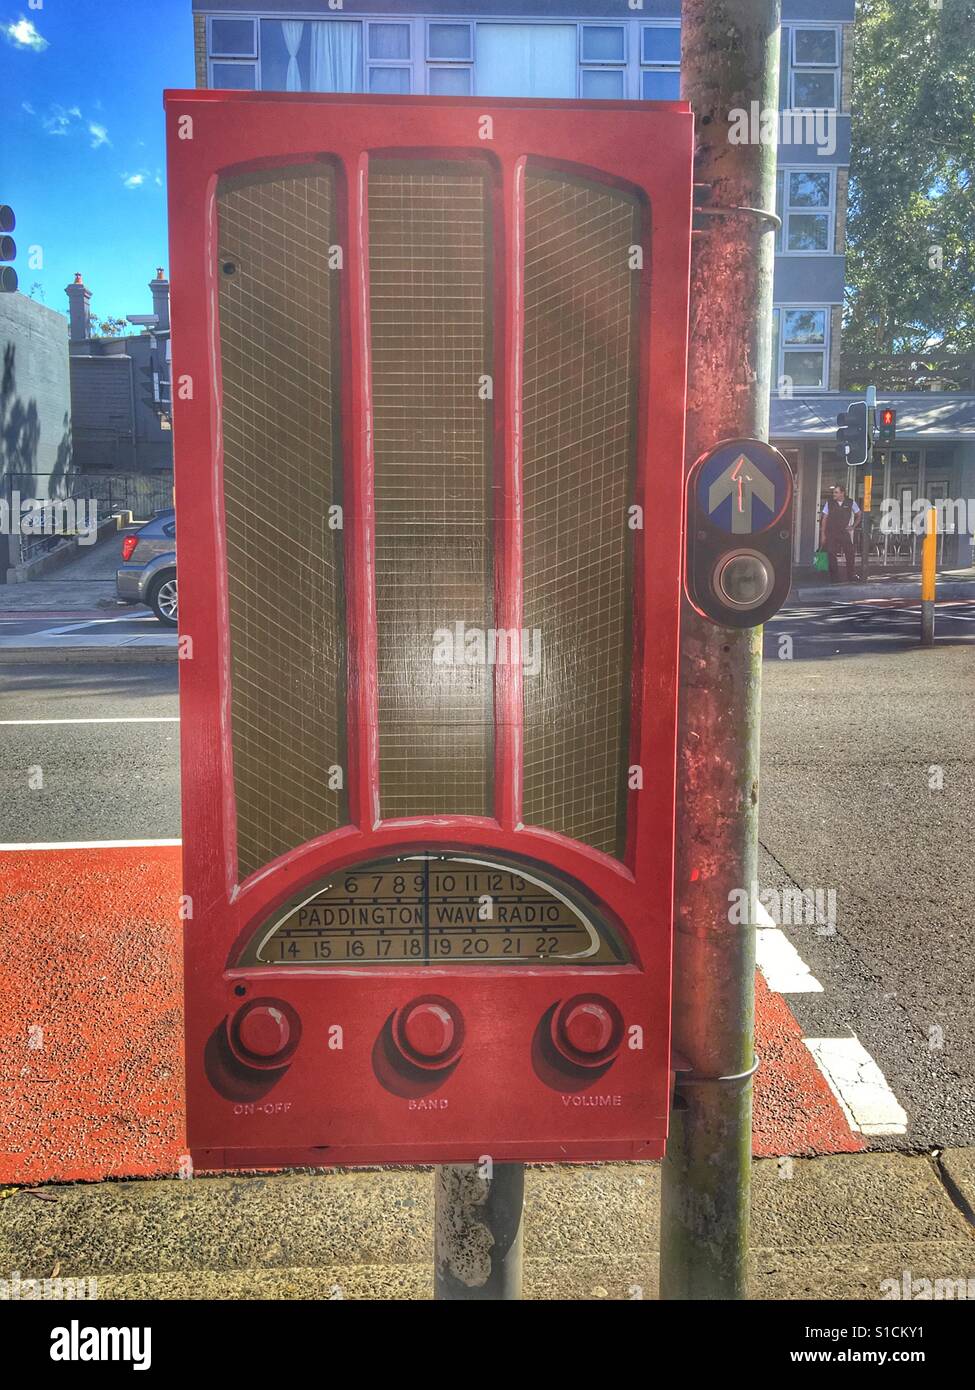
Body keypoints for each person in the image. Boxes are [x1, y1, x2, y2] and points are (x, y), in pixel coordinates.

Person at [820, 484, 860, 583]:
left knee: (850, 553)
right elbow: (824, 518)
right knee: (831, 553)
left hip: (843, 532)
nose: (834, 494)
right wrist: (823, 534)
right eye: (833, 492)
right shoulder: (829, 503)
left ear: (842, 493)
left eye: (836, 492)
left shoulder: (850, 502)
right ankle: (834, 578)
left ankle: (851, 575)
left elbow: (859, 514)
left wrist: (853, 526)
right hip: (831, 532)